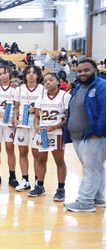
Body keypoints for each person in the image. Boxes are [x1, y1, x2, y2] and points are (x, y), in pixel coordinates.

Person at [62, 59, 106, 212]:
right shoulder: (79, 87)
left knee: (90, 168)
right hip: (78, 137)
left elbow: (105, 112)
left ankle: (85, 201)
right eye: (79, 71)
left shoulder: (101, 86)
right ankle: (98, 197)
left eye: (86, 70)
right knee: (95, 167)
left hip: (92, 137)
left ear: (95, 70)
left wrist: (97, 133)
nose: (82, 73)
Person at [30, 73, 70, 201]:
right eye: (45, 81)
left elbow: (68, 117)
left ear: (58, 81)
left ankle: (61, 189)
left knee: (59, 161)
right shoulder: (41, 98)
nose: (47, 82)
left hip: (57, 132)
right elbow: (36, 116)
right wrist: (36, 126)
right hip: (43, 133)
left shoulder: (65, 96)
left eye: (50, 80)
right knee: (41, 160)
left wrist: (56, 126)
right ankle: (40, 186)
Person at [12, 66, 44, 192]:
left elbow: (45, 106)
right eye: (29, 73)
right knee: (22, 152)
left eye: (34, 73)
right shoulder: (19, 90)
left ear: (38, 75)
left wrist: (36, 110)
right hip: (22, 124)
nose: (31, 75)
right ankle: (25, 180)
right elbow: (16, 107)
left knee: (37, 154)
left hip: (36, 124)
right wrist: (15, 119)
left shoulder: (42, 89)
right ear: (25, 75)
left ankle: (38, 181)